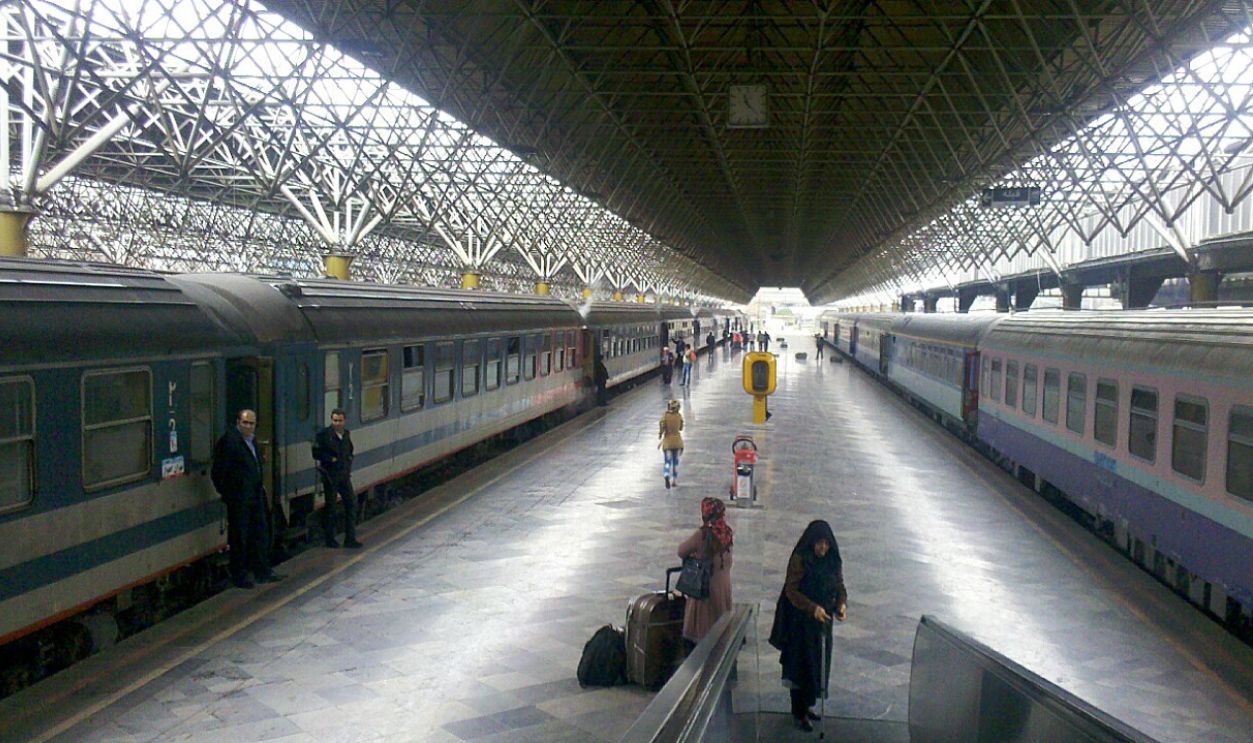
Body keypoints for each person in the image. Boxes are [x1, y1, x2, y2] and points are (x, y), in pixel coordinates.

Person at [768, 520, 847, 732]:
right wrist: (813, 608)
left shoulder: (832, 560)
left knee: (818, 663)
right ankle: (799, 711)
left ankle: (808, 704)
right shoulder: (800, 559)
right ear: (811, 542)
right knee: (801, 664)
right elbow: (791, 591)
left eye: (826, 544)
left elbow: (839, 585)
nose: (823, 548)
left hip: (823, 623)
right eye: (819, 544)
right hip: (800, 622)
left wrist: (841, 604)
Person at [212, 409, 283, 589]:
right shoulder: (229, 442)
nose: (248, 427)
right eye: (245, 423)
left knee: (260, 534)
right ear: (238, 422)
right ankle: (239, 576)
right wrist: (229, 494)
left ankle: (262, 571)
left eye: (252, 424)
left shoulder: (252, 442)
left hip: (255, 495)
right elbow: (218, 473)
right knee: (239, 538)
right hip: (239, 499)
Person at [677, 497, 733, 652]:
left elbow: (681, 551)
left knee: (703, 627)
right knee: (720, 623)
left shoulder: (702, 535)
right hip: (724, 586)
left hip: (706, 589)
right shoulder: (727, 532)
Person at [313, 408, 362, 549]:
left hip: (344, 476)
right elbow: (316, 453)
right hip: (330, 476)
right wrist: (330, 459)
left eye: (340, 421)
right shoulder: (323, 435)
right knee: (331, 508)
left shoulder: (346, 434)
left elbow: (350, 449)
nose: (337, 423)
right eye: (335, 420)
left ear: (344, 421)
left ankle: (350, 538)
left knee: (351, 504)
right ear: (331, 420)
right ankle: (330, 539)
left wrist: (349, 460)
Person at [658, 399, 684, 489]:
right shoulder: (679, 416)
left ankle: (666, 474)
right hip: (677, 442)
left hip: (667, 442)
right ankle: (674, 481)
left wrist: (660, 434)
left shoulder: (665, 416)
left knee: (667, 461)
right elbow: (681, 428)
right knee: (675, 462)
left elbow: (661, 426)